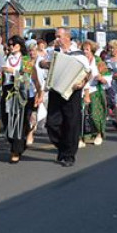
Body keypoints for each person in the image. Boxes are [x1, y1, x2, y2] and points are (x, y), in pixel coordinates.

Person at [39, 28, 90, 167]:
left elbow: (87, 73)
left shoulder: (79, 55)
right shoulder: (52, 52)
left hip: (72, 92)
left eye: (59, 36)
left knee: (71, 123)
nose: (56, 39)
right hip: (56, 89)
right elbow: (40, 63)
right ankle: (62, 146)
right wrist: (47, 64)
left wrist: (82, 84)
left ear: (67, 37)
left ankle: (69, 155)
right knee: (52, 123)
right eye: (56, 36)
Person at [0, 35, 41, 163]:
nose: (11, 47)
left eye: (14, 44)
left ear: (20, 46)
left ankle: (15, 151)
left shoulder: (26, 60)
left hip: (21, 93)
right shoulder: (6, 58)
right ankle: (19, 142)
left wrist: (13, 72)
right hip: (7, 92)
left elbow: (27, 79)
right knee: (7, 121)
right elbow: (2, 78)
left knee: (17, 123)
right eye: (9, 45)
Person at [80, 40, 111, 146]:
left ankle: (98, 133)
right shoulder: (80, 60)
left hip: (95, 89)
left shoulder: (98, 61)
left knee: (95, 113)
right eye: (83, 49)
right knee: (82, 114)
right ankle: (83, 136)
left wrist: (101, 78)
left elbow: (107, 76)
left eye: (87, 49)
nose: (85, 51)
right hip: (81, 90)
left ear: (92, 50)